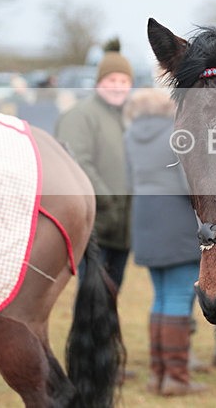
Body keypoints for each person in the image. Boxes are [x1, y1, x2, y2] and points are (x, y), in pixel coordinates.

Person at [124, 88, 206, 396]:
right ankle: (176, 377)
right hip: (175, 221)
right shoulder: (177, 134)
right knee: (177, 297)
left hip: (144, 220)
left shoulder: (130, 135)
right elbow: (190, 184)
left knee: (159, 298)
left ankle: (158, 374)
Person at [55, 45, 133, 290]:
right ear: (99, 81)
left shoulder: (129, 116)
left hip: (122, 227)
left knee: (112, 291)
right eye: (112, 79)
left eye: (123, 80)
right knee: (92, 293)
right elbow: (76, 161)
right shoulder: (80, 115)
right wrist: (108, 200)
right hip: (95, 224)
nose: (118, 85)